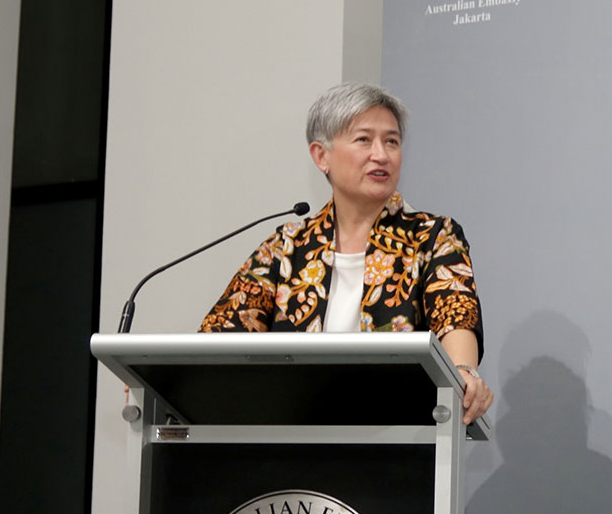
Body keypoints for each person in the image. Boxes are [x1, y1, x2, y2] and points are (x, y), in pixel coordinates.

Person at [200, 82, 493, 423]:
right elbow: (222, 334)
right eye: (363, 139)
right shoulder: (286, 246)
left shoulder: (432, 237)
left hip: (397, 439)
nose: (381, 154)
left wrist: (463, 372)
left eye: (392, 141)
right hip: (290, 440)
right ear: (321, 155)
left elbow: (455, 312)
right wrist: (163, 382)